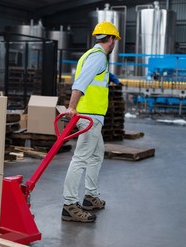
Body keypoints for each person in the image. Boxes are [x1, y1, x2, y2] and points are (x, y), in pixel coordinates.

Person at [61, 21, 121, 223]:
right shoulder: (98, 57)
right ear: (111, 39)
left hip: (93, 116)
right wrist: (71, 106)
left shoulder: (90, 55)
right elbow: (81, 82)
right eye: (115, 40)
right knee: (80, 159)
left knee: (96, 156)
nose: (114, 44)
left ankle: (90, 197)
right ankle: (69, 205)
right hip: (88, 117)